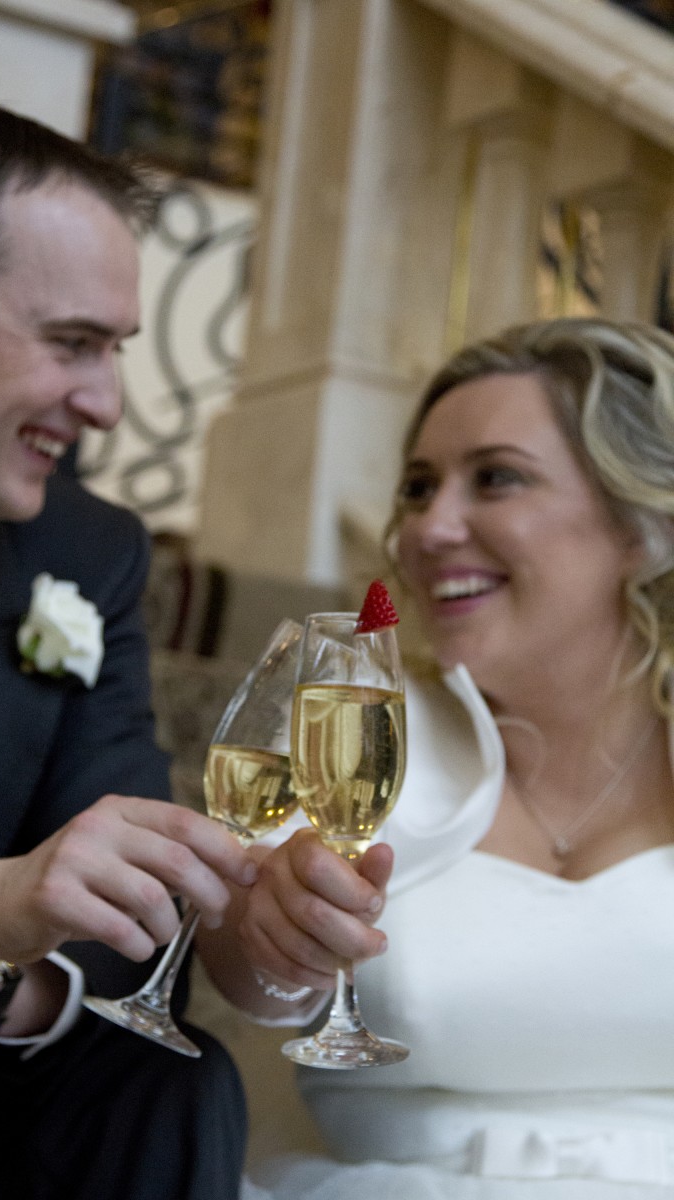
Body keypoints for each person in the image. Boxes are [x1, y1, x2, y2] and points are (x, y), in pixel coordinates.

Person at [197, 315, 674, 1197]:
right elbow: (246, 976)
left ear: (641, 526)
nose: (429, 528)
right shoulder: (358, 728)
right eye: (418, 488)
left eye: (496, 479)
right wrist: (268, 940)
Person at [0, 105, 257, 1199]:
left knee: (166, 1080)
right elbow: (17, 891)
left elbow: (135, 921)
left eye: (117, 352)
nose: (105, 405)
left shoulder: (89, 552)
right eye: (72, 343)